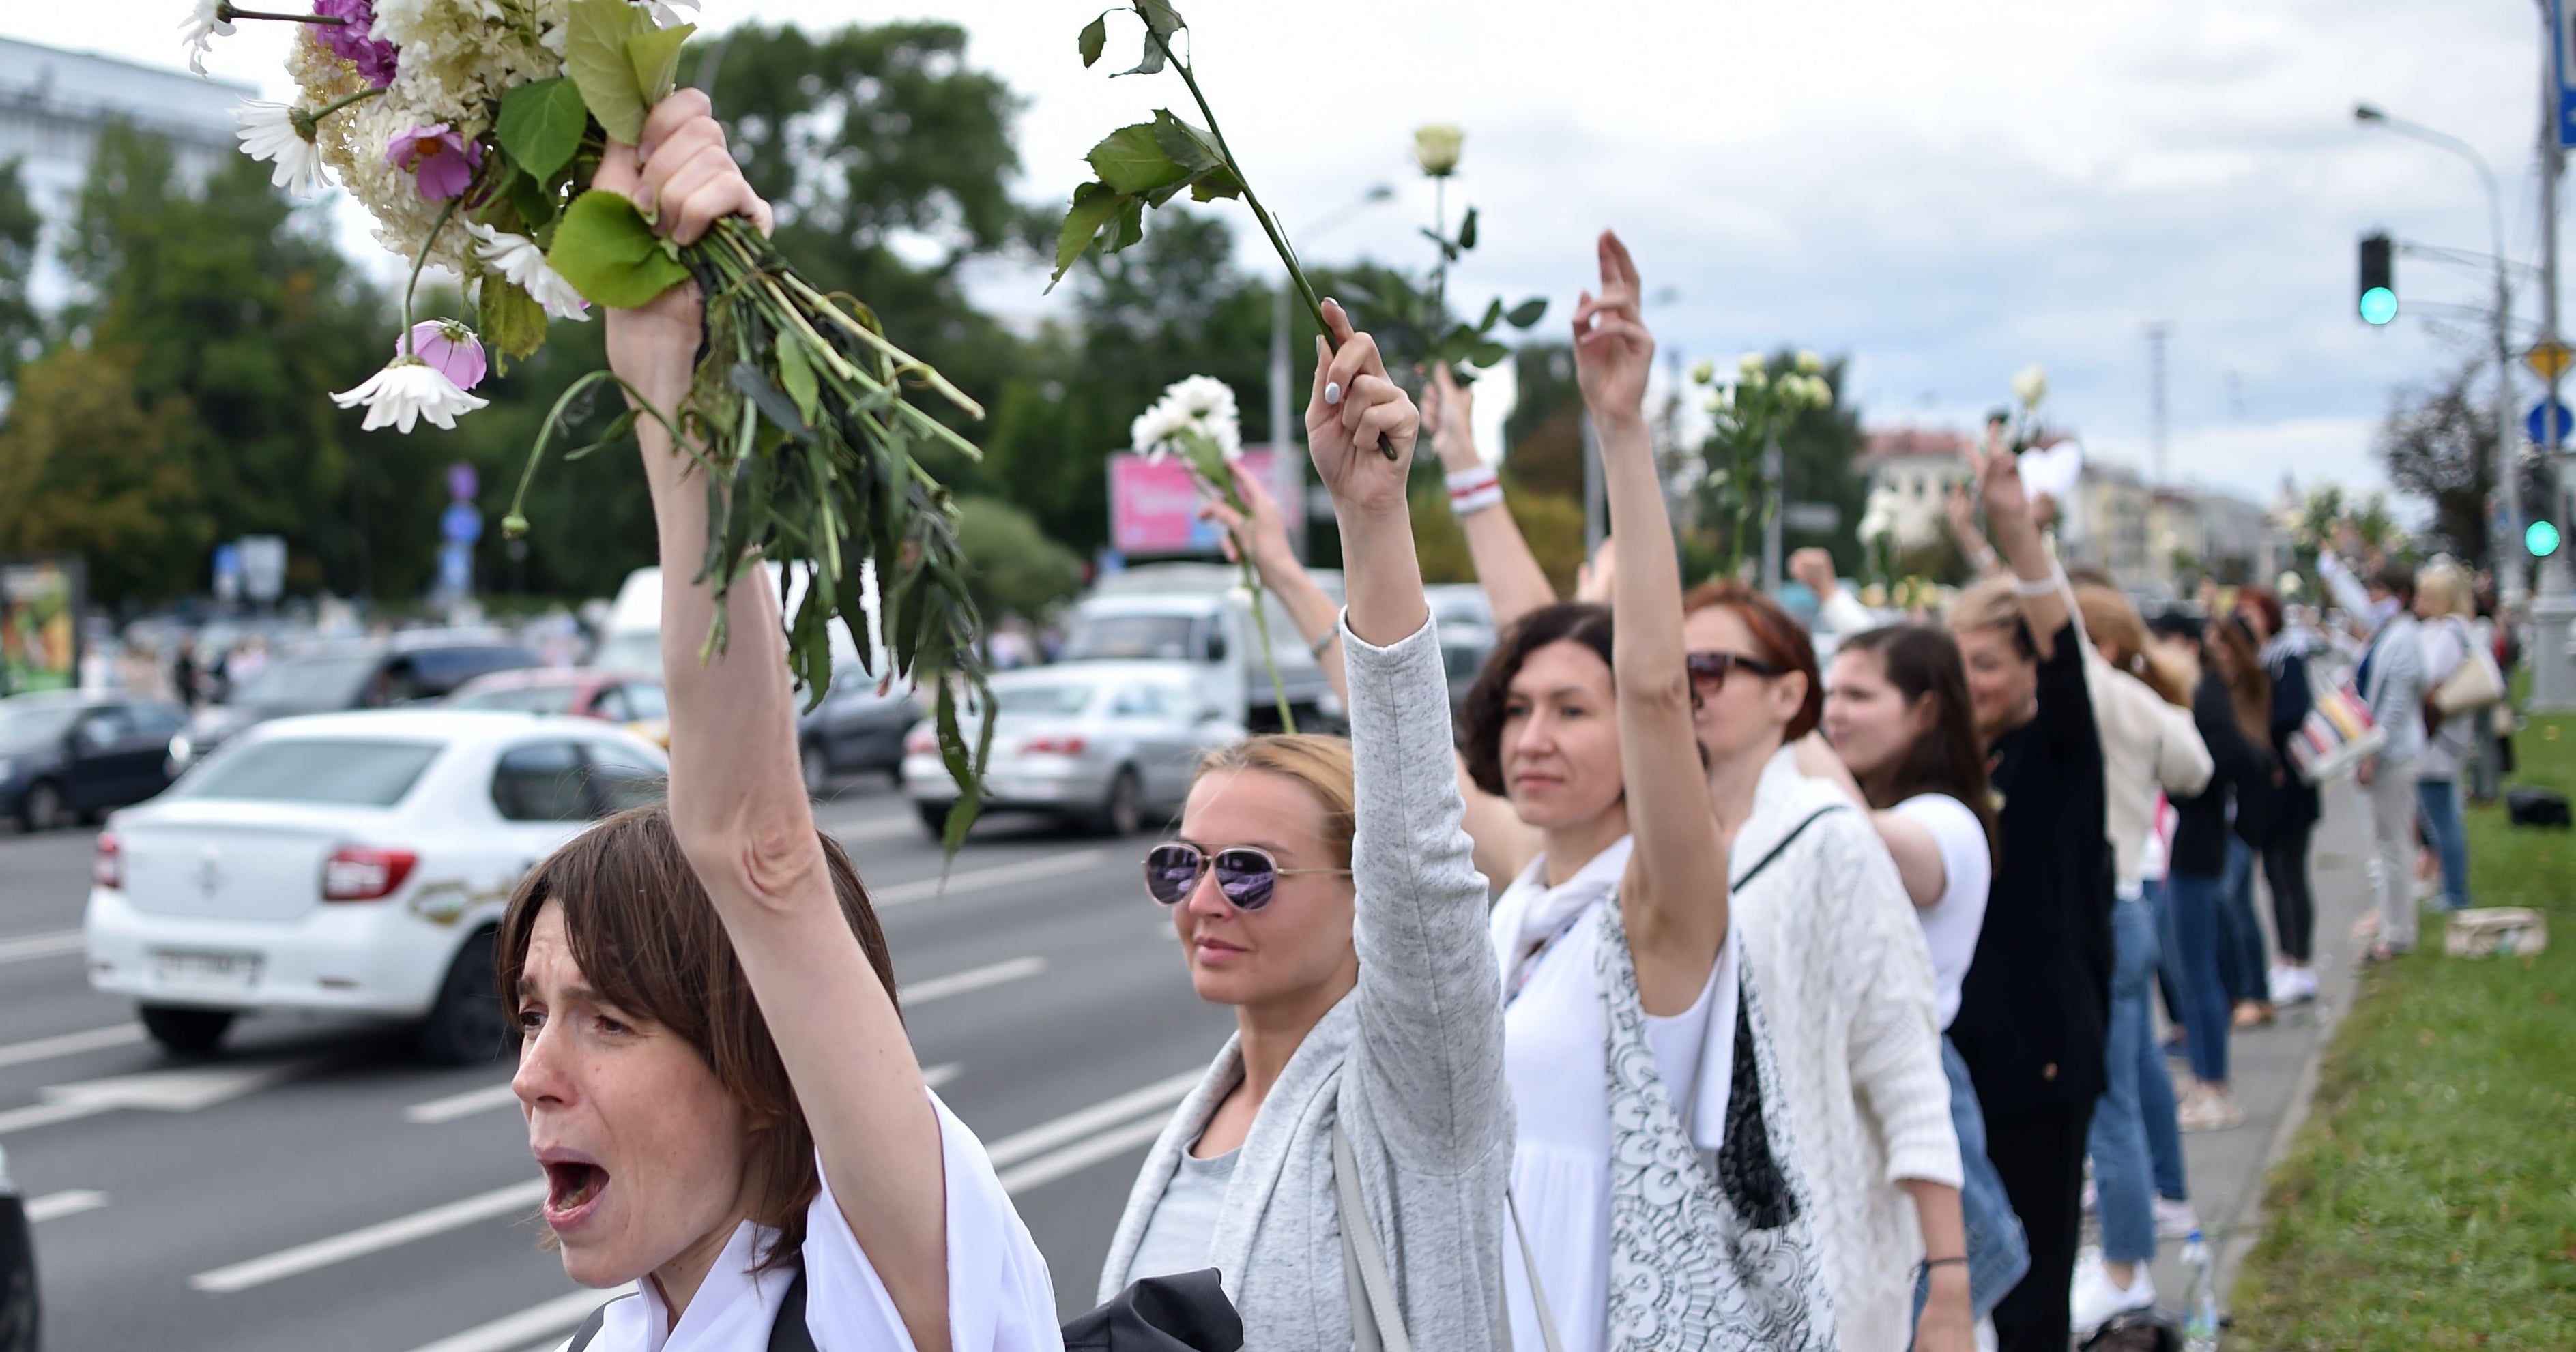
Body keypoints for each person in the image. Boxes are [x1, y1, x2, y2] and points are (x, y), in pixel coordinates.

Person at [497, 92, 1059, 1352]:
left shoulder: (901, 1299)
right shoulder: (620, 1336)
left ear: (765, 1073)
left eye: (610, 1018)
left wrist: (677, 386)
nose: (534, 1072)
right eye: (533, 1013)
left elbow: (759, 849)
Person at [1099, 299, 1514, 1351]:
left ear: (1361, 896)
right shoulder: (1206, 1111)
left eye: (1247, 870)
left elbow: (1421, 849)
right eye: (1179, 863)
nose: (1200, 899)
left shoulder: (1423, 1093)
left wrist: (1371, 518)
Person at [1524, 229, 1844, 1349]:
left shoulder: (1664, 905)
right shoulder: (1519, 902)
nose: (1533, 737)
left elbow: (1653, 689)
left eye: (1572, 711)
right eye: (1515, 713)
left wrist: (1623, 433)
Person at [1801, 623, 2031, 1331]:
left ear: (1927, 710)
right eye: (1828, 692)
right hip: (1848, 1101)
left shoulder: (1948, 819)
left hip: (1915, 1096)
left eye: (1858, 694)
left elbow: (1862, 842)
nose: (1832, 712)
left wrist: (1777, 719)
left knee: (1935, 1323)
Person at [1943, 428, 2110, 1352]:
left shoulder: (2057, 751)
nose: (1969, 684)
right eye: (1956, 663)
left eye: (1988, 665)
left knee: (2032, 1299)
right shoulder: (1946, 765)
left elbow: (2064, 660)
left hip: (2041, 1063)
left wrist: (2014, 531)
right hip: (1963, 1058)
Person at [2055, 583, 2210, 1330]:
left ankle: (2124, 1269)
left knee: (2107, 1102)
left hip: (2098, 907)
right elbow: (2194, 770)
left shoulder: (2087, 686)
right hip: (2131, 895)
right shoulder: (2136, 698)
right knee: (2130, 1073)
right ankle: (2144, 1232)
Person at [2150, 611, 2270, 1134]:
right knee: (2186, 966)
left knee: (2197, 970)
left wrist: (2190, 779)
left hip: (2194, 846)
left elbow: (2239, 759)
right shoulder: (2192, 693)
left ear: (2182, 645)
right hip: (2183, 846)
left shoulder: (2203, 695)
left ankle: (2213, 1086)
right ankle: (2204, 1079)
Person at [2319, 539, 2426, 961]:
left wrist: (2371, 756)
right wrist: (2331, 568)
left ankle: (2398, 932)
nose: (2371, 599)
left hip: (2394, 757)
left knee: (2394, 846)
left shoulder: (2404, 640)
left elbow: (2395, 710)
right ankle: (2392, 922)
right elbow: (2354, 609)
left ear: (2399, 596)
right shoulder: (2388, 632)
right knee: (2387, 845)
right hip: (2387, 753)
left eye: (2379, 592)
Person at [2235, 586, 2321, 1006]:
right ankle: (2286, 959)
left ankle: (2302, 963)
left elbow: (2293, 712)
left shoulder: (2289, 656)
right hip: (2263, 788)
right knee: (2273, 875)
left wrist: (2256, 730)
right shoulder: (2252, 661)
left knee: (2291, 873)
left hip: (2291, 781)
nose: (2247, 623)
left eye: (2253, 615)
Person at [2204, 615, 2278, 1029]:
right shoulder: (2211, 688)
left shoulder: (2252, 685)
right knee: (2223, 902)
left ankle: (2256, 992)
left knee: (2236, 901)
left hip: (2246, 808)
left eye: (2223, 645)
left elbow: (2253, 748)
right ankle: (2237, 991)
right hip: (2220, 811)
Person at [2412, 561, 2479, 914]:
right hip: (2440, 736)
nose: (2419, 600)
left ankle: (2455, 893)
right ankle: (2451, 888)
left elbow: (2430, 678)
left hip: (2438, 737)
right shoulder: (2445, 629)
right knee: (2440, 815)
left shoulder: (2450, 631)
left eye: (2427, 594)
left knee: (2442, 817)